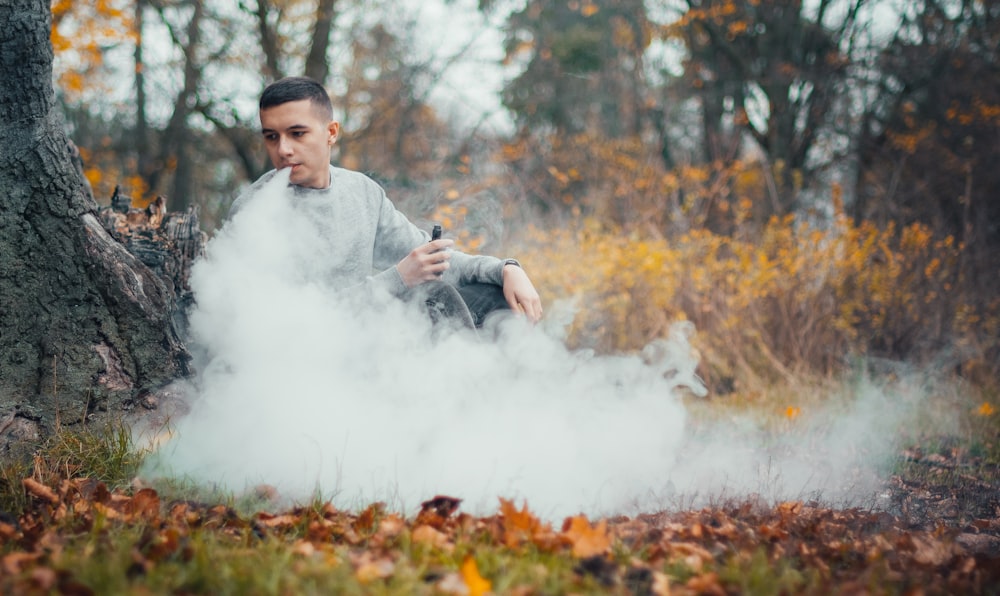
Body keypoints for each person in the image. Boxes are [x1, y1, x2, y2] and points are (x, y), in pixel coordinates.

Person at [229, 76, 542, 330]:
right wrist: (400, 277)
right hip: (317, 358)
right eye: (272, 137)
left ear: (331, 133)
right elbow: (289, 323)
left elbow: (434, 261)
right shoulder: (256, 212)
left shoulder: (361, 191)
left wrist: (505, 269)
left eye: (297, 134)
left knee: (495, 298)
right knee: (434, 296)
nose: (283, 149)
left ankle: (508, 399)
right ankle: (469, 400)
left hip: (378, 336)